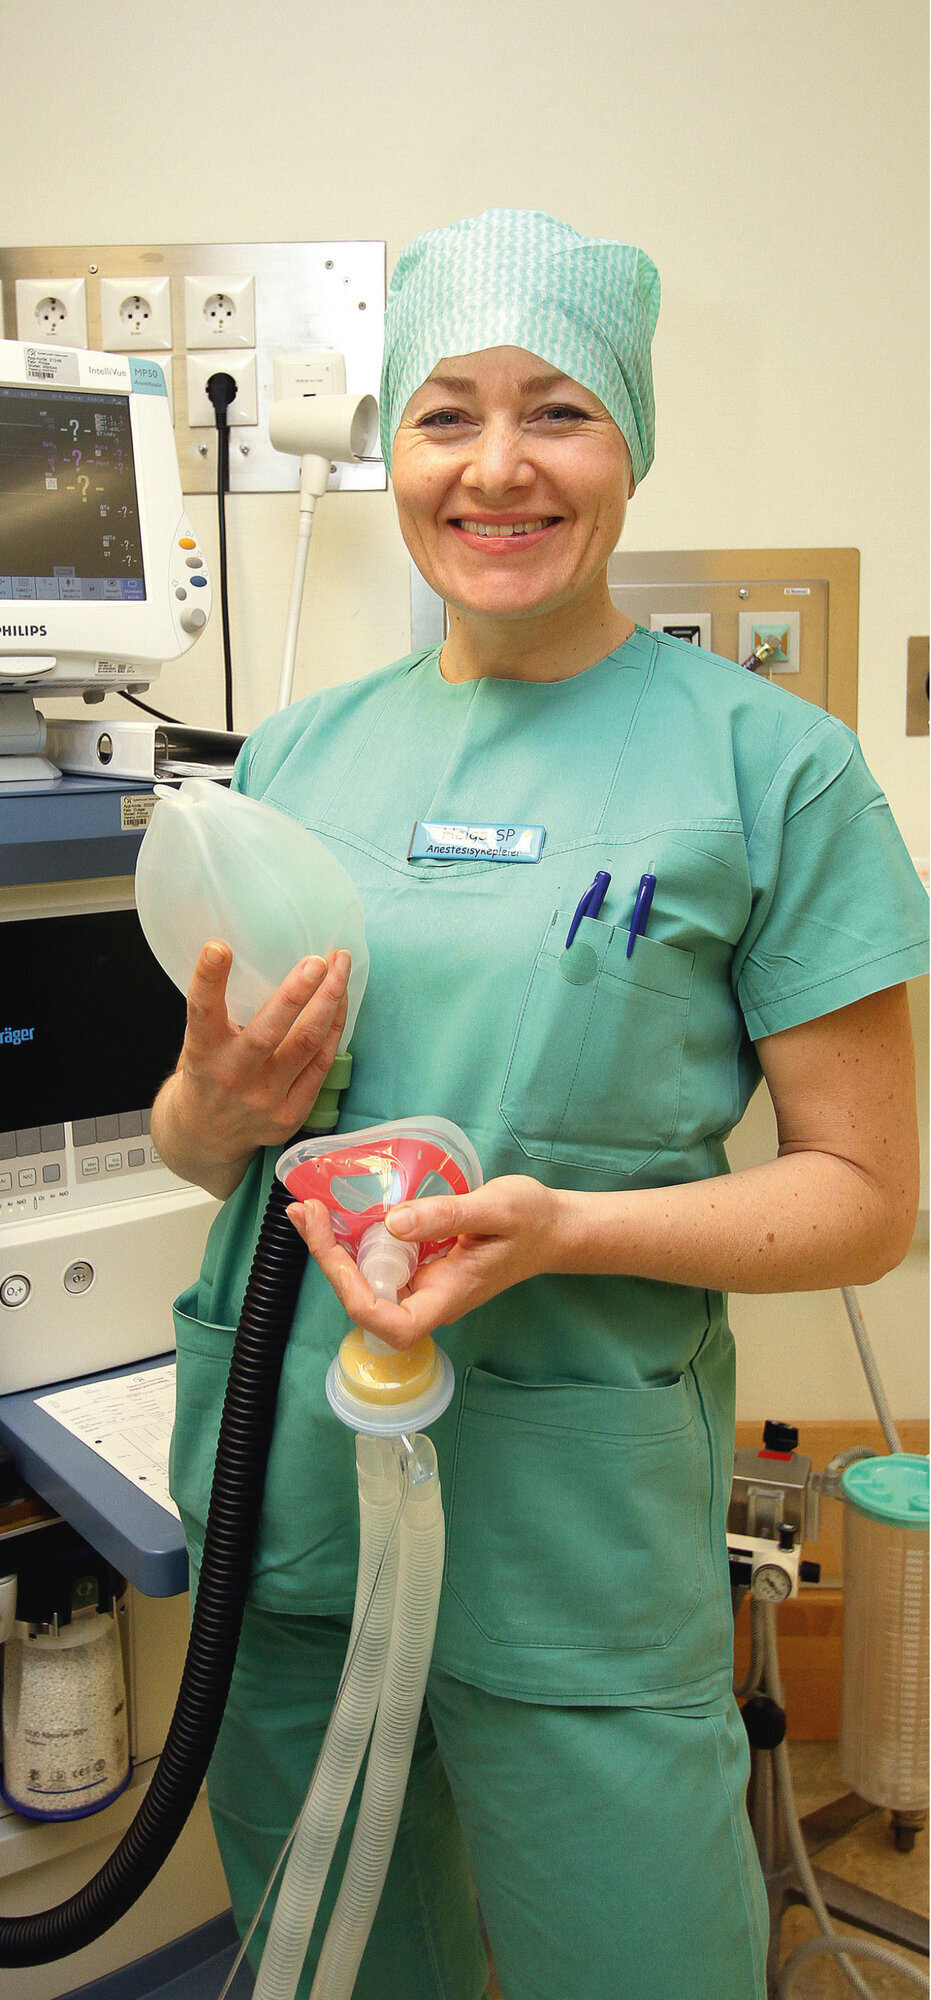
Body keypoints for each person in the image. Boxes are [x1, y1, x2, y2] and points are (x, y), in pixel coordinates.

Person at [152, 209, 929, 2000]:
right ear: (398, 454)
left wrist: (567, 1228)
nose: (497, 468)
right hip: (293, 1488)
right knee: (339, 1964)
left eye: (558, 411)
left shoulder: (772, 769)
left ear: (631, 440)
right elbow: (203, 1149)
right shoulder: (293, 758)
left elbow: (864, 1199)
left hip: (576, 1525)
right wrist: (209, 1105)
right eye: (447, 414)